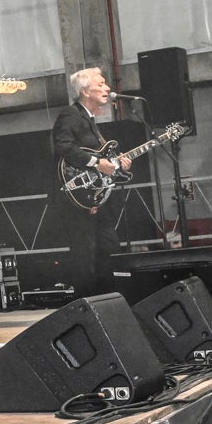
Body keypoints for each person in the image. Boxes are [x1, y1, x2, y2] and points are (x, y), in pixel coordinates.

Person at [50, 67, 131, 298]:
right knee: (85, 254)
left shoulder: (90, 120)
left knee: (109, 249)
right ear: (85, 91)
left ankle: (110, 300)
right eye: (101, 84)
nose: (107, 88)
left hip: (95, 196)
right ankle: (87, 304)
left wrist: (118, 163)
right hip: (76, 198)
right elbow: (63, 146)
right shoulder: (71, 115)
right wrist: (97, 163)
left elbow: (102, 159)